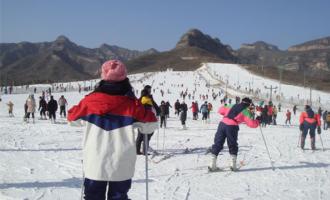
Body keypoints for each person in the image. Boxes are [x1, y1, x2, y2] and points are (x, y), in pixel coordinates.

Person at [67, 60, 157, 200]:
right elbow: (150, 125)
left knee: (93, 197)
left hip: (95, 162)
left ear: (103, 77)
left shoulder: (89, 102)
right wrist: (146, 110)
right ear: (124, 78)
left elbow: (71, 118)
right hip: (121, 163)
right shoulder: (133, 105)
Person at [208, 97, 260, 171]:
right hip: (232, 126)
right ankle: (233, 165)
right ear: (249, 104)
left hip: (222, 123)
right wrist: (258, 120)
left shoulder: (233, 105)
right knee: (232, 144)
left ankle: (212, 164)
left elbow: (220, 110)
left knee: (218, 142)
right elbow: (252, 124)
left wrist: (226, 110)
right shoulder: (246, 111)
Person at [135, 85, 160, 155]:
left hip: (140, 120)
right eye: (150, 89)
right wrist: (158, 112)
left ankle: (137, 150)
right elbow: (156, 108)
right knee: (148, 135)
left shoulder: (140, 99)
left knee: (140, 135)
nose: (150, 91)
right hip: (148, 120)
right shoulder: (148, 99)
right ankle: (144, 151)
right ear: (147, 90)